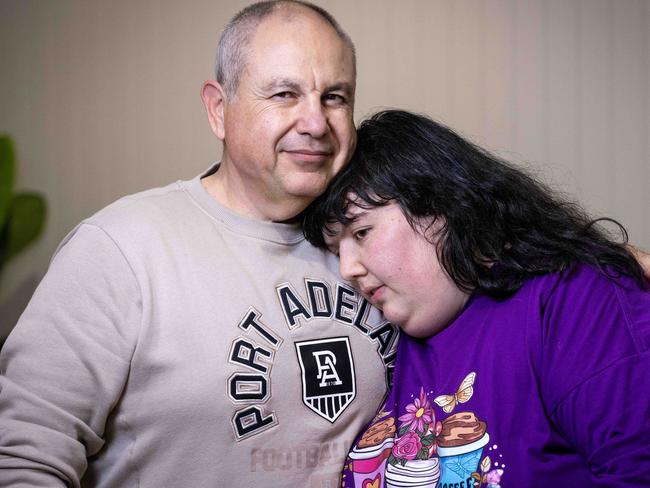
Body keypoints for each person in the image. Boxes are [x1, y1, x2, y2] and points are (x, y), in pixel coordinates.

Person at [0, 2, 395, 487]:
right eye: (285, 93)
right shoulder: (120, 248)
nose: (315, 123)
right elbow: (23, 457)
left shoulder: (375, 244)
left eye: (335, 97)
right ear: (219, 109)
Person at [302, 109, 650, 487]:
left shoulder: (574, 299)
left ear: (441, 205)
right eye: (337, 251)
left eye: (362, 232)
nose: (347, 268)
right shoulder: (381, 336)